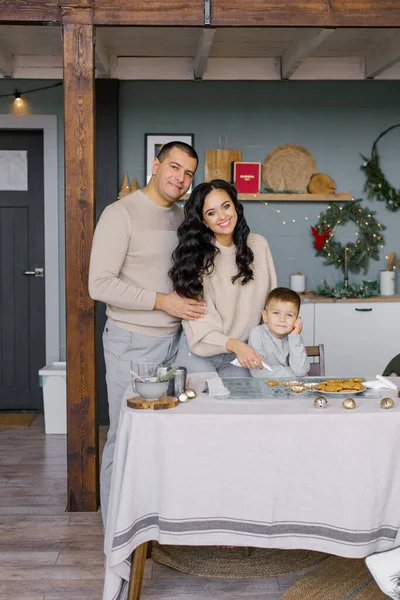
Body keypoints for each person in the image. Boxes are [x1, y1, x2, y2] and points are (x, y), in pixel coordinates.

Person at [89, 141, 207, 524]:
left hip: (178, 344)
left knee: (166, 441)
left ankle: (153, 526)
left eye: (188, 172)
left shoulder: (181, 217)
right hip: (131, 344)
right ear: (155, 165)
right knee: (125, 439)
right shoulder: (120, 213)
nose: (180, 178)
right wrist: (162, 301)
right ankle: (116, 538)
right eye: (174, 167)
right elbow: (99, 285)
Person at [169, 179, 277, 376]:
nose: (222, 216)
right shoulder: (196, 258)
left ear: (235, 206)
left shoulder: (259, 245)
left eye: (226, 206)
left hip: (239, 354)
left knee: (244, 403)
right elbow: (200, 329)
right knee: (205, 405)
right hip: (200, 354)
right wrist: (236, 345)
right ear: (203, 221)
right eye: (211, 213)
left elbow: (271, 304)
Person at [248, 287, 309, 378]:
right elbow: (258, 371)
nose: (282, 319)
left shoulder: (294, 338)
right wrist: (293, 373)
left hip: (291, 389)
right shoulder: (257, 334)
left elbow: (300, 370)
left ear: (297, 320)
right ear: (265, 316)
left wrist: (295, 336)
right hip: (264, 389)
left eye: (289, 315)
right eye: (276, 313)